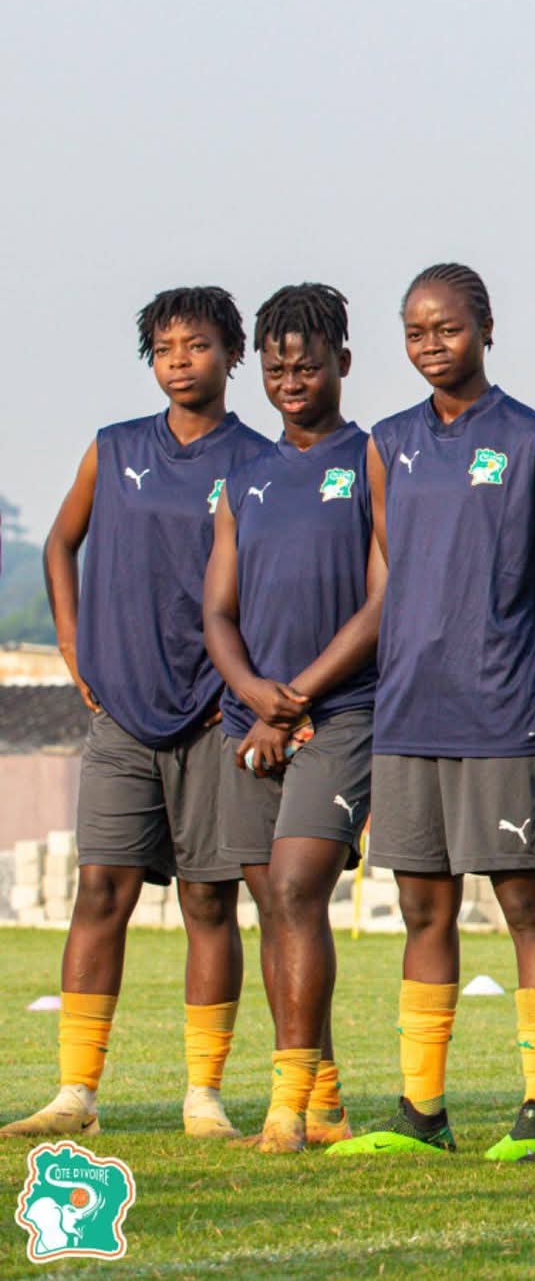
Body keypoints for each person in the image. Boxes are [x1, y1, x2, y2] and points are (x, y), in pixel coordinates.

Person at [328, 264, 535, 1160]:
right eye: (415, 331)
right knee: (422, 909)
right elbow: (390, 569)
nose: (430, 344)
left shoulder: (533, 437)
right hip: (409, 712)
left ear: (484, 325)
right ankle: (420, 1111)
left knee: (523, 901)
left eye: (446, 327)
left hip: (502, 712)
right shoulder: (387, 440)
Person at [5, 287, 268, 1141]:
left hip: (215, 713)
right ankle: (74, 1092)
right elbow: (58, 542)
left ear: (232, 354)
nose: (179, 359)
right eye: (163, 347)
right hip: (122, 712)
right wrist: (74, 643)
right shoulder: (114, 449)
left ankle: (203, 1095)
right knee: (100, 892)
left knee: (208, 902)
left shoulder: (260, 461)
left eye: (196, 344)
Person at [202, 284, 382, 1152]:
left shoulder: (373, 458)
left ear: (343, 363)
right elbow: (218, 611)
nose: (291, 379)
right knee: (273, 904)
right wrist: (257, 697)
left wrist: (298, 694)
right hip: (253, 722)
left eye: (308, 364)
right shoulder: (246, 477)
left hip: (343, 712)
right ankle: (325, 1102)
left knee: (303, 887)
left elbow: (385, 599)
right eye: (276, 366)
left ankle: (284, 1106)